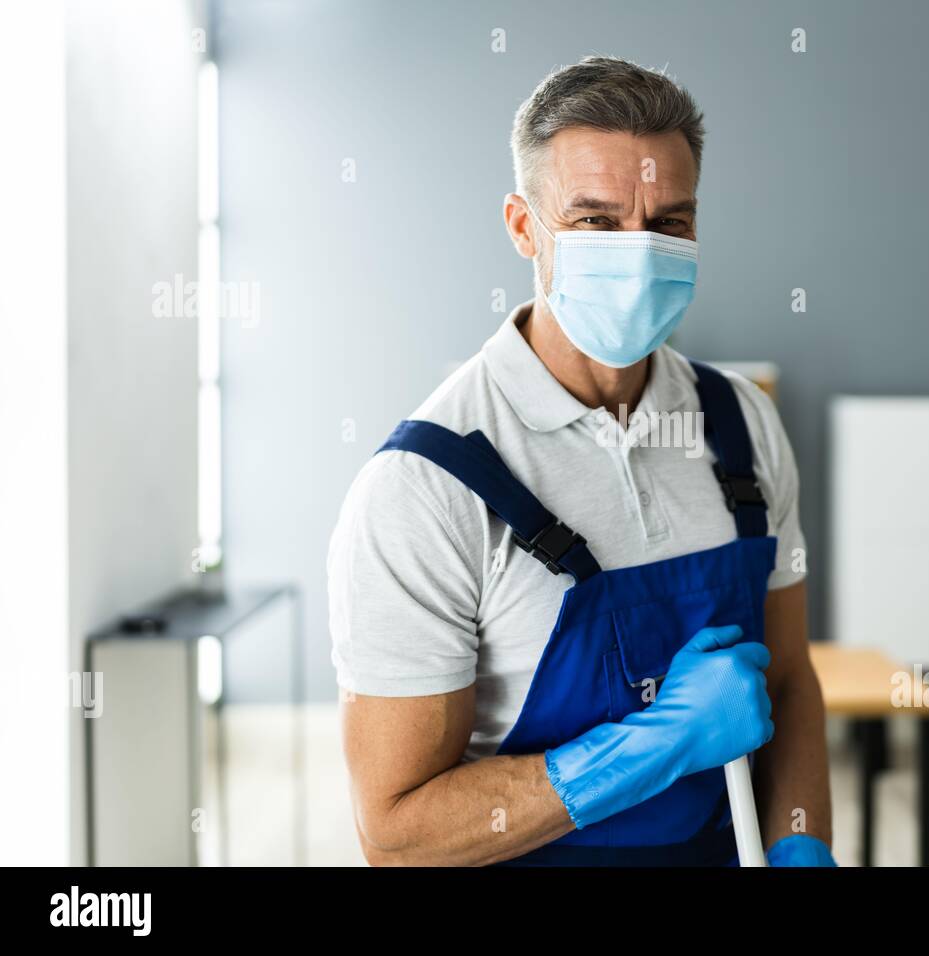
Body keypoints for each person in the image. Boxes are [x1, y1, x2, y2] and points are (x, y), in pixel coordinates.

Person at [327, 56, 833, 866]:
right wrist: (655, 746)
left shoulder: (744, 425)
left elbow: (790, 684)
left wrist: (802, 846)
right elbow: (396, 834)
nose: (637, 253)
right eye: (595, 222)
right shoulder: (424, 489)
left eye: (668, 222)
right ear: (525, 226)